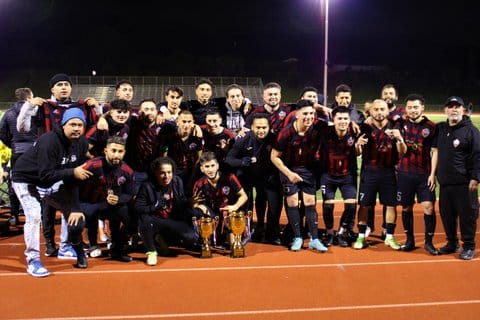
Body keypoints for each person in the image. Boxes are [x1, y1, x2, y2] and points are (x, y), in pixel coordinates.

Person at [16, 73, 100, 258]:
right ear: (52, 89)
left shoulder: (80, 108)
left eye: (66, 84)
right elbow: (21, 128)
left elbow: (98, 124)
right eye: (59, 84)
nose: (63, 87)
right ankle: (44, 248)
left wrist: (98, 109)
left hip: (63, 163)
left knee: (67, 205)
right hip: (41, 167)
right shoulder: (43, 107)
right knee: (41, 211)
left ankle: (66, 244)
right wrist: (28, 107)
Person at [11, 108, 92, 277]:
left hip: (50, 179)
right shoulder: (49, 141)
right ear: (63, 125)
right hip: (26, 179)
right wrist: (72, 172)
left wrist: (75, 207)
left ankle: (67, 247)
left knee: (76, 215)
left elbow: (75, 178)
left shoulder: (81, 143)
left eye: (80, 125)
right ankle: (33, 260)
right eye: (72, 124)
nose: (76, 128)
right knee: (33, 216)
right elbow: (47, 175)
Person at [270, 99, 328, 252]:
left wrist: (321, 107)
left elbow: (340, 119)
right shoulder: (286, 133)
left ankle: (314, 239)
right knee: (293, 201)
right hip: (289, 170)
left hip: (308, 170)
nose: (309, 117)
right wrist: (289, 174)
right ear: (297, 115)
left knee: (310, 202)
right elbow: (274, 156)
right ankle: (297, 237)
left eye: (311, 114)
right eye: (305, 114)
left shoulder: (317, 127)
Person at [353, 99, 406, 250]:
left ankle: (389, 236)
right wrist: (357, 145)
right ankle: (361, 236)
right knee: (364, 205)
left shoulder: (396, 126)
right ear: (370, 111)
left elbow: (403, 153)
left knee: (391, 205)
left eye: (382, 109)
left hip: (389, 172)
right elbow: (357, 153)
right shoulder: (364, 127)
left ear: (388, 111)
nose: (379, 112)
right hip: (369, 171)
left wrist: (400, 139)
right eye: (376, 109)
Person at [432, 96, 480, 260]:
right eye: (450, 107)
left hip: (465, 183)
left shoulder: (471, 131)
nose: (453, 109)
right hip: (445, 183)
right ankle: (452, 243)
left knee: (467, 216)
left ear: (463, 110)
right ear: (445, 110)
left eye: (457, 107)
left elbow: (478, 156)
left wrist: (476, 177)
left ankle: (469, 246)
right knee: (447, 215)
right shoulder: (442, 129)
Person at [225, 113, 283, 244]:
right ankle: (248, 230)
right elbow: (228, 159)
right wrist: (242, 162)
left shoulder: (275, 139)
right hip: (248, 176)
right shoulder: (243, 139)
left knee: (275, 203)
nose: (261, 130)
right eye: (258, 127)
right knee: (246, 204)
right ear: (251, 127)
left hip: (268, 176)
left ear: (269, 127)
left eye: (264, 127)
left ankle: (271, 233)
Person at [79, 136, 135, 261]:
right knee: (89, 213)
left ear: (124, 152)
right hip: (90, 202)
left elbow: (130, 194)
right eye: (113, 150)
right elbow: (76, 184)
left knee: (130, 215)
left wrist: (119, 199)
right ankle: (92, 244)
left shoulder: (127, 171)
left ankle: (117, 247)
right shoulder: (92, 165)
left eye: (120, 151)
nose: (116, 155)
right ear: (105, 151)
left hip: (111, 203)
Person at [136, 157, 199, 266]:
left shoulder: (177, 182)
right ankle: (151, 251)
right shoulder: (147, 186)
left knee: (191, 237)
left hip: (172, 220)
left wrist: (191, 204)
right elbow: (138, 208)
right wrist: (154, 207)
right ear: (156, 173)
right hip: (154, 220)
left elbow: (182, 202)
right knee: (144, 220)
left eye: (169, 172)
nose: (166, 176)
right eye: (162, 173)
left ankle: (161, 239)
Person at [396, 94, 439, 255]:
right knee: (406, 207)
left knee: (428, 206)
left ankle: (429, 242)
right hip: (404, 173)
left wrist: (432, 174)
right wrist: (400, 140)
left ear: (422, 108)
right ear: (406, 108)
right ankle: (409, 240)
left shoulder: (432, 126)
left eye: (416, 107)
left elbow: (435, 152)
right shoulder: (400, 124)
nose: (412, 110)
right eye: (410, 107)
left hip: (424, 174)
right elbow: (401, 152)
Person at [318, 107, 358, 247]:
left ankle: (341, 232)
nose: (342, 121)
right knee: (328, 206)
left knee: (351, 205)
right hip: (328, 176)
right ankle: (329, 233)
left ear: (350, 120)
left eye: (345, 119)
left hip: (347, 176)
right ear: (333, 120)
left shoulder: (355, 131)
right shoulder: (324, 132)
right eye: (339, 118)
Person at [192, 152, 248, 248]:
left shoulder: (229, 177)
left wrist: (235, 207)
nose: (210, 169)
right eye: (207, 166)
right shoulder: (199, 184)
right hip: (213, 216)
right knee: (199, 212)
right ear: (202, 169)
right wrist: (199, 206)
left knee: (233, 244)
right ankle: (207, 238)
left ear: (217, 166)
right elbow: (194, 205)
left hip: (229, 212)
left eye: (213, 165)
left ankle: (235, 238)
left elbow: (244, 196)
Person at [0, 88, 37, 226]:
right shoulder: (35, 111)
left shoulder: (9, 113)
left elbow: (2, 133)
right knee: (36, 183)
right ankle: (37, 216)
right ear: (29, 97)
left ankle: (14, 215)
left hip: (17, 152)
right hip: (34, 151)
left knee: (15, 184)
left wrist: (12, 144)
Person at [157, 110, 203, 196]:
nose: (186, 125)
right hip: (173, 171)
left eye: (189, 122)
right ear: (177, 121)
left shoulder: (196, 137)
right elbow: (163, 157)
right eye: (184, 121)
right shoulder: (169, 136)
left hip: (189, 172)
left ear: (193, 122)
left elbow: (199, 159)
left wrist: (191, 179)